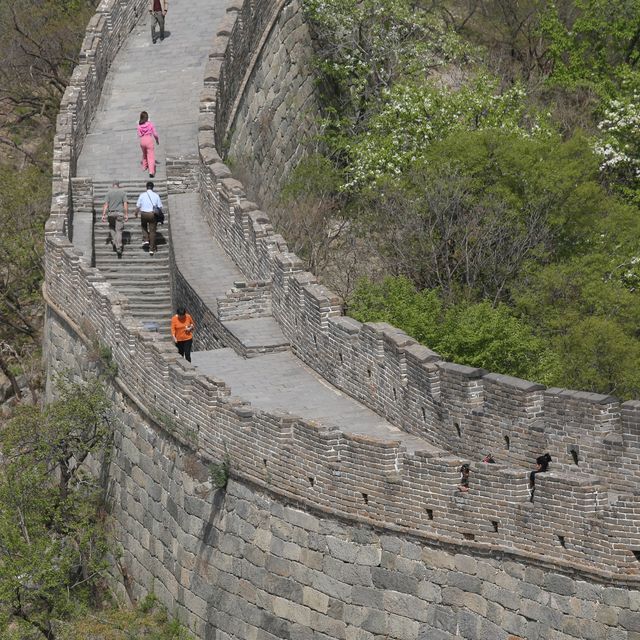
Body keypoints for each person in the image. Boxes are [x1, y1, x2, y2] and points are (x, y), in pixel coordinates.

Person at [101, 180, 128, 258]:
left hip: (111, 214)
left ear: (113, 185)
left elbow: (106, 204)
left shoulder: (108, 193)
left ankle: (114, 241)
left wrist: (103, 214)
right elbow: (125, 204)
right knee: (119, 230)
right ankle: (118, 246)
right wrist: (126, 214)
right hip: (119, 213)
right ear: (118, 185)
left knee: (112, 228)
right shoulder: (122, 193)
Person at [135, 181, 163, 256]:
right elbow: (160, 207)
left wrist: (136, 213)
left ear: (146, 187)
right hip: (152, 214)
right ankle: (151, 249)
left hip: (144, 214)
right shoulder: (156, 195)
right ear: (153, 187)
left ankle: (146, 239)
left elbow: (138, 206)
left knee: (143, 226)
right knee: (153, 232)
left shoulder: (142, 195)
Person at [137, 111, 160, 178]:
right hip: (149, 140)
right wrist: (157, 140)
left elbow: (139, 134)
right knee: (151, 156)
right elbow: (155, 134)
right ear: (147, 118)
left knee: (144, 154)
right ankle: (151, 171)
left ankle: (144, 167)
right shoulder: (150, 124)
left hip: (142, 141)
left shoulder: (139, 126)